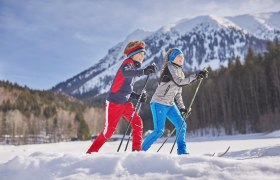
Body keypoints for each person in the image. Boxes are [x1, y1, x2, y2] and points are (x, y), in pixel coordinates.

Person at [86, 40, 157, 153]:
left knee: (137, 123)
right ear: (133, 54)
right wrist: (143, 71)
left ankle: (136, 151)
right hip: (114, 103)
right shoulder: (127, 63)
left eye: (144, 54)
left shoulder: (133, 66)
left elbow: (126, 89)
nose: (142, 56)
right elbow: (125, 73)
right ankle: (91, 152)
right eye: (140, 53)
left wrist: (137, 96)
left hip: (125, 103)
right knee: (108, 132)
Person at [142, 48, 208, 154]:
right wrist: (196, 76)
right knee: (159, 131)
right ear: (172, 58)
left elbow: (178, 93)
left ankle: (181, 151)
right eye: (178, 56)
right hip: (159, 103)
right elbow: (179, 82)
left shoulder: (180, 71)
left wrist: (182, 108)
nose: (181, 58)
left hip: (170, 104)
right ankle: (141, 151)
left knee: (182, 125)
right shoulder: (170, 67)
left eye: (182, 57)